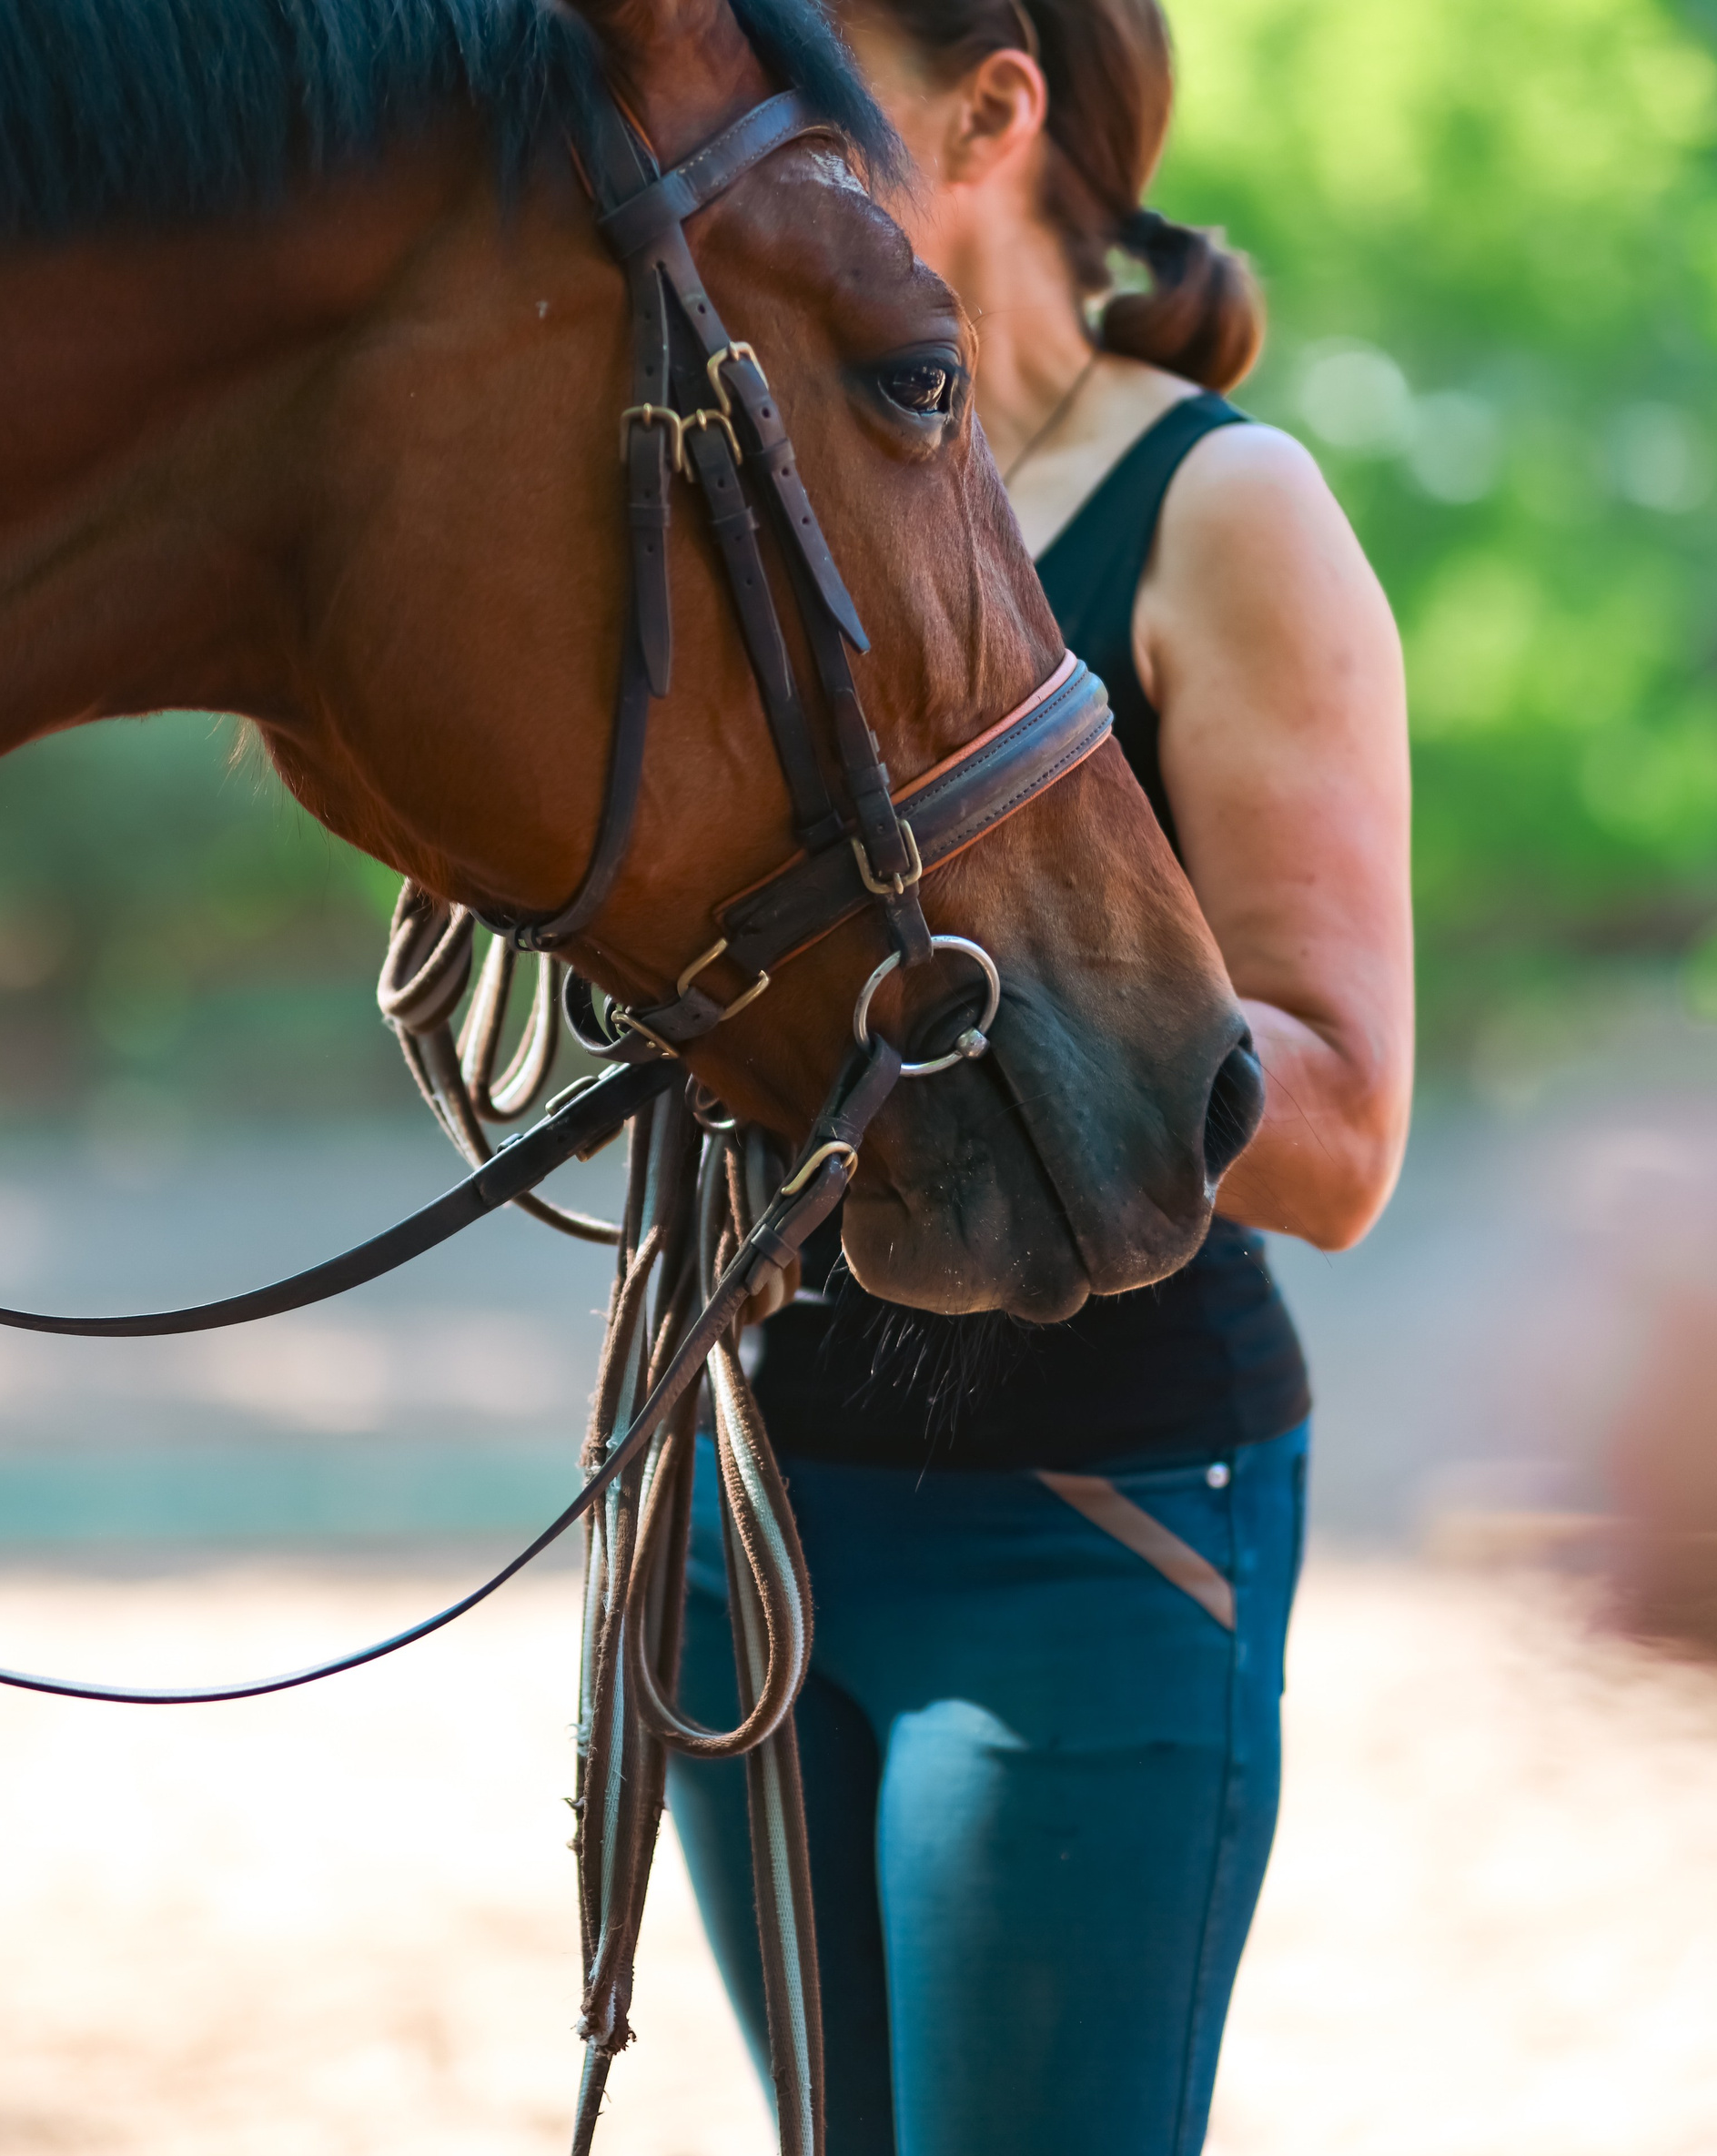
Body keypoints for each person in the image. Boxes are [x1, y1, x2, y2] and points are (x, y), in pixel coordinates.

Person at [662, 3, 1413, 2151]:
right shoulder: (760, 488)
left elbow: (1343, 1131)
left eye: (796, 84)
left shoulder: (1215, 507)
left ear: (991, 110)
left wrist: (972, 986)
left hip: (1085, 1530)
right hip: (744, 1523)